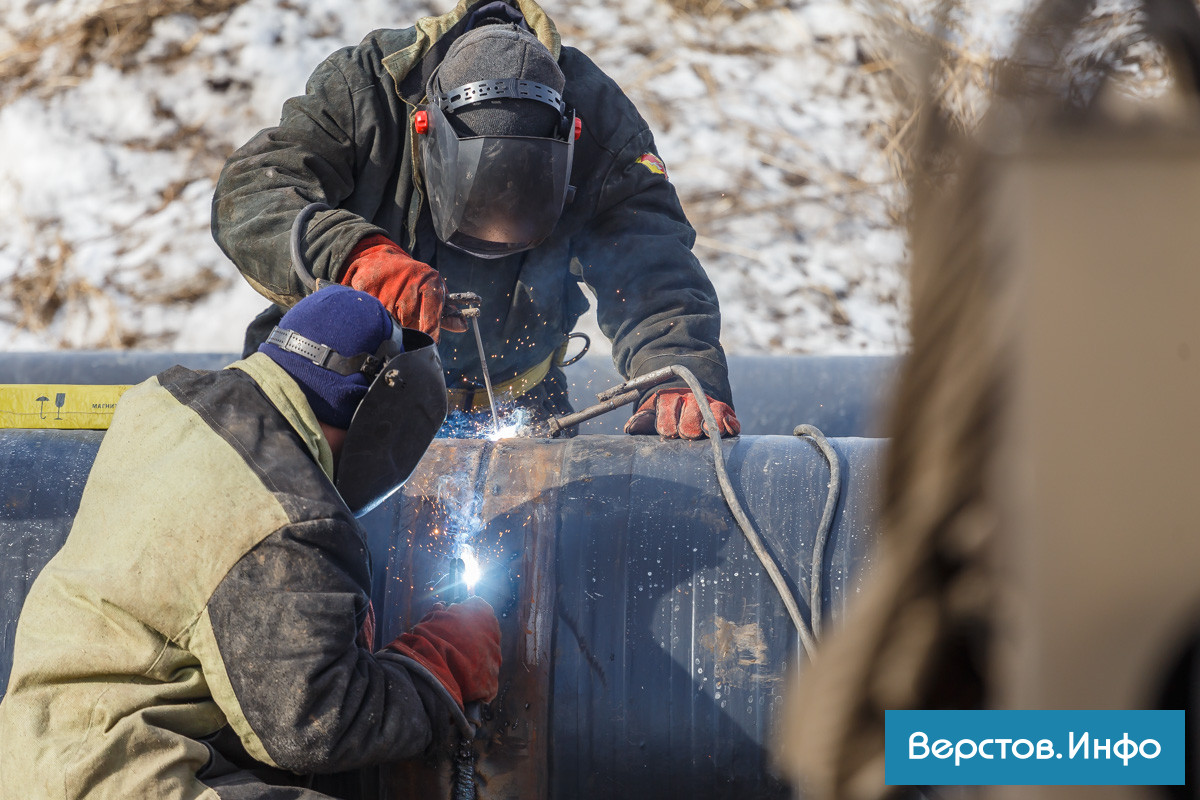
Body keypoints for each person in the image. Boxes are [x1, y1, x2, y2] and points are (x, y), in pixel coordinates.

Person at [0, 285, 502, 798]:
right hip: (128, 775)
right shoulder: (288, 515)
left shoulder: (164, 402)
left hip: (37, 749)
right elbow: (312, 728)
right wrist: (435, 671)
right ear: (375, 420)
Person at [211, 0, 739, 440]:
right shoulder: (366, 90)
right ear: (426, 129)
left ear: (566, 139)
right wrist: (356, 256)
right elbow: (253, 190)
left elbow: (653, 266)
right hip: (336, 386)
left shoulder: (603, 126)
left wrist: (675, 371)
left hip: (516, 405)